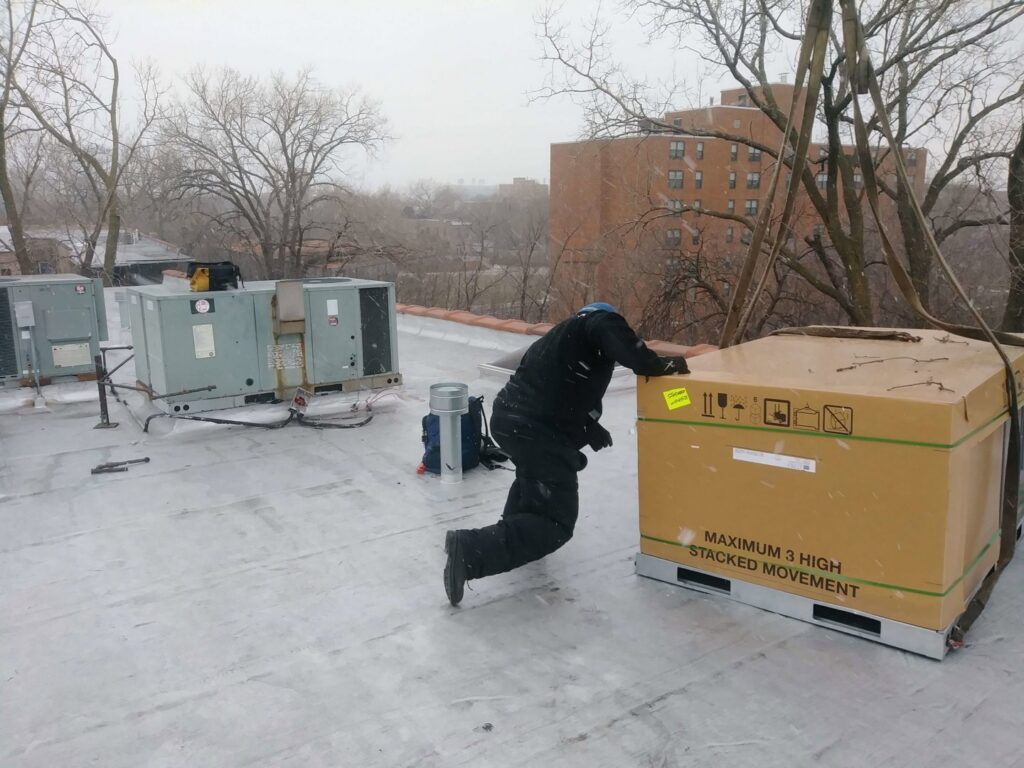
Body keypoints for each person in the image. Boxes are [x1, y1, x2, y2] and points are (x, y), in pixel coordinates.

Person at [443, 302, 690, 606]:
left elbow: (552, 389)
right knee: (555, 523)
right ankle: (470, 552)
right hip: (536, 431)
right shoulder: (593, 323)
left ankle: (516, 536)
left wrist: (587, 427)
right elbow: (603, 328)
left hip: (510, 422)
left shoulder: (554, 343)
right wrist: (653, 364)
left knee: (532, 481)